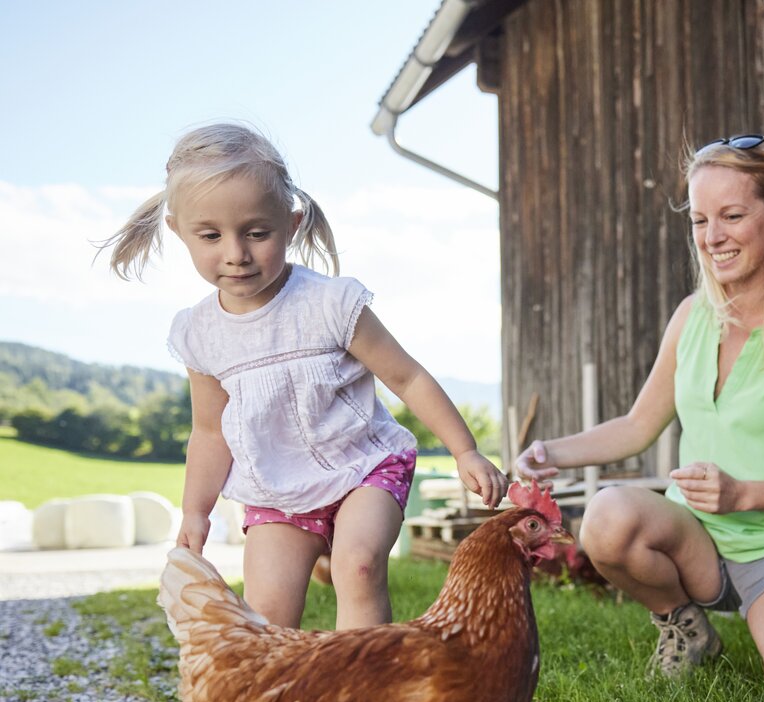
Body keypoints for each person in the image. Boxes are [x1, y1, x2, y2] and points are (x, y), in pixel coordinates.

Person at [102, 123, 505, 629]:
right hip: (277, 493)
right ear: (179, 230)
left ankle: (364, 694)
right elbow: (209, 431)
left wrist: (465, 450)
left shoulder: (331, 305)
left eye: (256, 232)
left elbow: (408, 379)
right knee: (267, 612)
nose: (236, 253)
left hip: (363, 467)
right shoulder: (199, 333)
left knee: (356, 567)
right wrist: (195, 511)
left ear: (291, 225)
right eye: (211, 235)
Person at [517, 134, 764, 702]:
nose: (713, 237)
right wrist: (551, 452)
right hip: (696, 539)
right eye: (701, 220)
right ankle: (686, 626)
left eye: (732, 216)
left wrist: (742, 494)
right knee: (607, 515)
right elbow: (638, 425)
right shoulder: (691, 317)